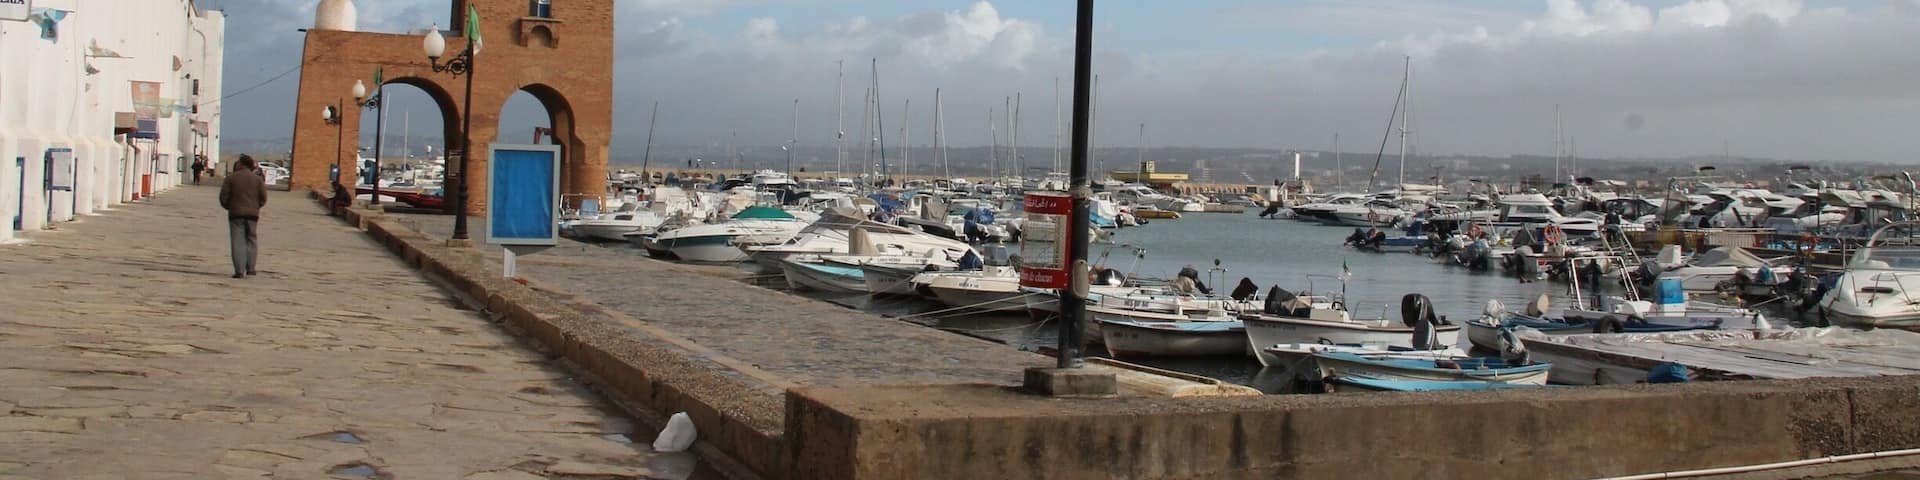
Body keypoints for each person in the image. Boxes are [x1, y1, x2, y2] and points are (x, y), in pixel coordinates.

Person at [219, 155, 268, 279]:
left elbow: (223, 197)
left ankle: (239, 270)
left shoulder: (231, 178)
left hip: (235, 214)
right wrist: (256, 207)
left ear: (241, 164)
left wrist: (229, 207)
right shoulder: (257, 180)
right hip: (253, 214)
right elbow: (263, 198)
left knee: (237, 241)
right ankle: (251, 268)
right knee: (252, 239)